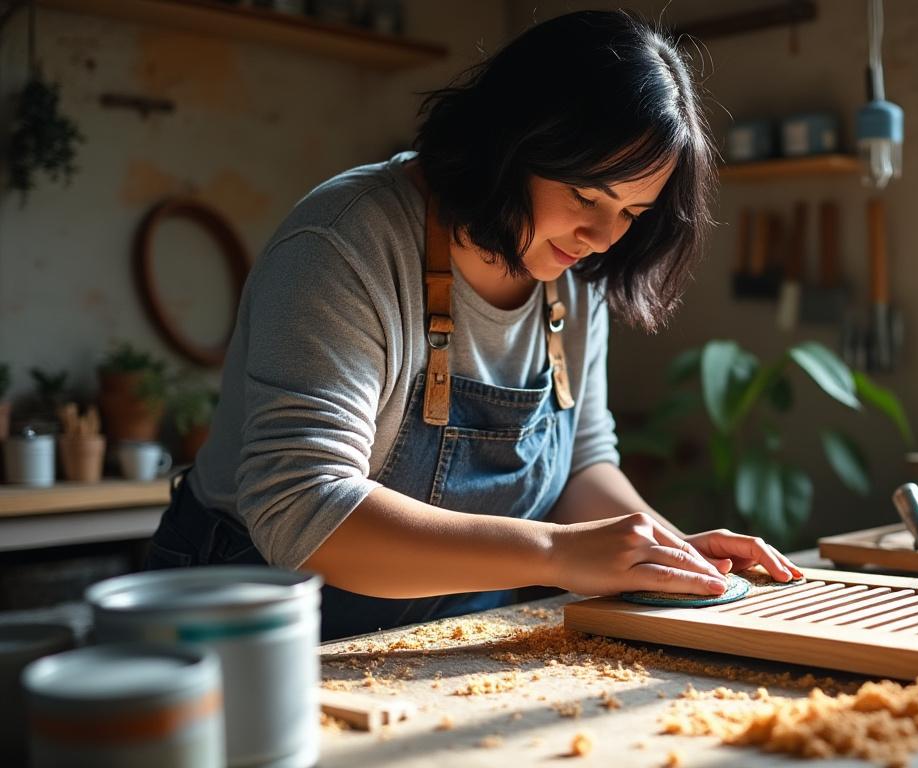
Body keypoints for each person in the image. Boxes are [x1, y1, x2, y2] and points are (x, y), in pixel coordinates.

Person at [146, 10, 802, 640]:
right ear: (511, 143)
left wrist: (664, 555)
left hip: (442, 631)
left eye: (631, 211)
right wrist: (556, 552)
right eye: (586, 196)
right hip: (252, 623)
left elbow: (581, 469)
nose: (602, 237)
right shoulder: (345, 244)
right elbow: (304, 510)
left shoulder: (572, 270)